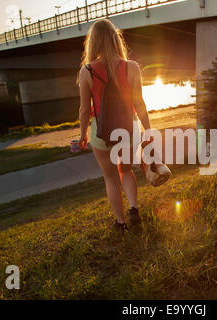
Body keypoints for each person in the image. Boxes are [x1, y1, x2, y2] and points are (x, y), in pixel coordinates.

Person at [77, 19, 152, 232]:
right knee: (126, 171)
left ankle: (121, 223)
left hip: (101, 135)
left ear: (93, 42)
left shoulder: (87, 71)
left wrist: (83, 134)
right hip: (128, 130)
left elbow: (84, 110)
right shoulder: (131, 67)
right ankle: (134, 209)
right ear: (115, 39)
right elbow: (139, 103)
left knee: (110, 178)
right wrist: (149, 128)